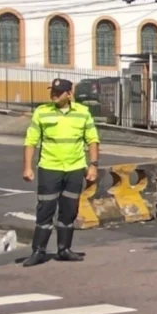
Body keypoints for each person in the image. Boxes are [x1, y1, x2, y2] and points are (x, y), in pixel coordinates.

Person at [21, 79, 100, 267]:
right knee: (45, 210)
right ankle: (38, 251)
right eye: (53, 91)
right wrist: (27, 167)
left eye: (59, 92)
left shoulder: (82, 113)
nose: (54, 95)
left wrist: (93, 165)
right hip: (50, 168)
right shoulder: (42, 112)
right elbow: (30, 141)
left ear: (69, 94)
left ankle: (64, 249)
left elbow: (92, 140)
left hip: (74, 168)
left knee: (69, 210)